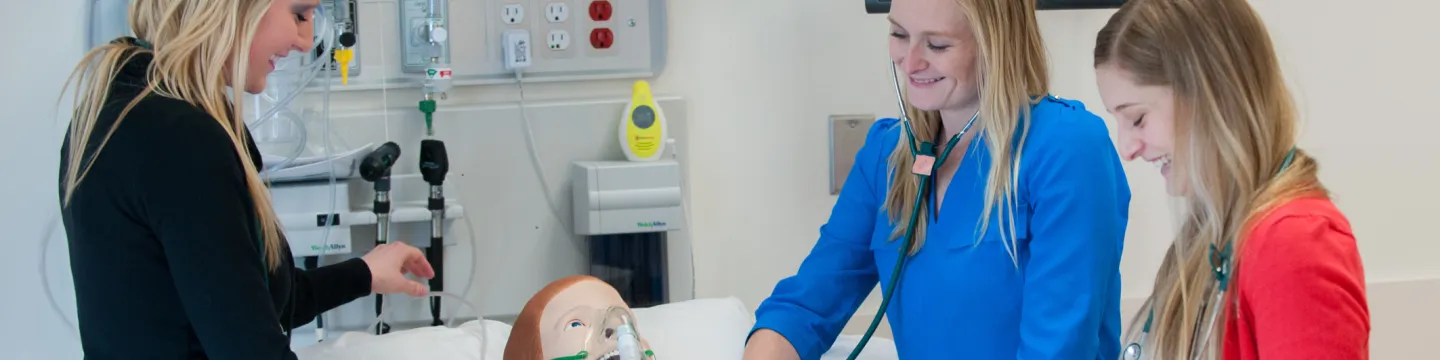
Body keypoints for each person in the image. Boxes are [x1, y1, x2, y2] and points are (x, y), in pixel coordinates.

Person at [743, 0, 1131, 358]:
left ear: (997, 45)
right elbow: (806, 306)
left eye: (938, 45)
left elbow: (1057, 348)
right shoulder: (887, 154)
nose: (909, 63)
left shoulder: (1066, 149)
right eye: (898, 35)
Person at [56, 1, 436, 359]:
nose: (305, 42)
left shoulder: (115, 114)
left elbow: (252, 302)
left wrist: (365, 273)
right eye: (299, 15)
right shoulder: (180, 139)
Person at [1092, 0, 1370, 359]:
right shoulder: (1210, 239)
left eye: (1138, 118)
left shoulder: (1294, 242)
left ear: (1211, 93)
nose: (1126, 149)